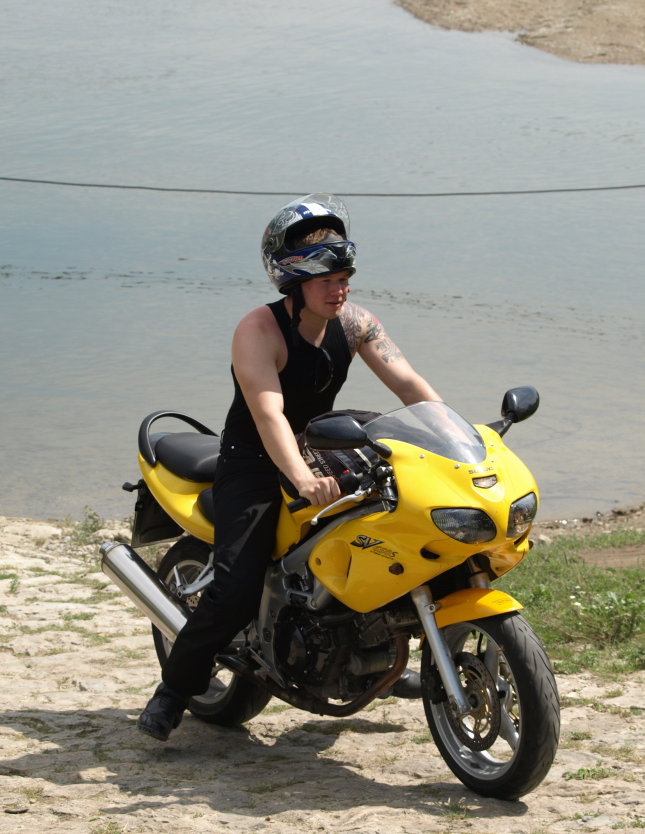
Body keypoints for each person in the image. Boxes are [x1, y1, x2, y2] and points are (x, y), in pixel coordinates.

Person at [138, 193, 441, 740]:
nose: (338, 289)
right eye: (325, 280)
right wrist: (301, 478)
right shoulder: (259, 331)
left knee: (389, 531)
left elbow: (410, 385)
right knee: (235, 588)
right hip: (254, 460)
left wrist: (456, 434)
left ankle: (376, 656)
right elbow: (268, 413)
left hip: (318, 446)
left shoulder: (357, 324)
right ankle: (174, 691)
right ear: (293, 281)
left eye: (344, 277)